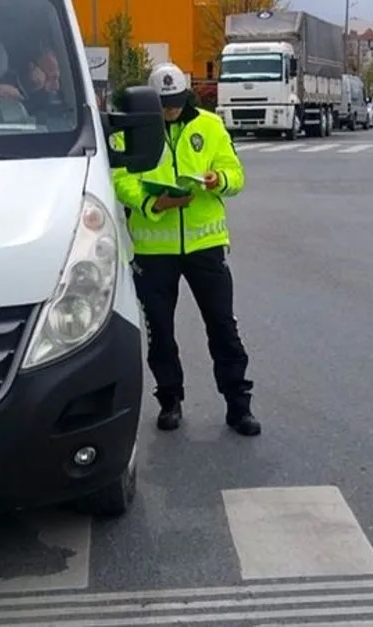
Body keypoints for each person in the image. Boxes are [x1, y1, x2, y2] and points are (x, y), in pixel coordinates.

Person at [109, 62, 260, 436]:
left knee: (223, 326)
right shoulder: (131, 129)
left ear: (186, 95)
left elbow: (236, 175)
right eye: (163, 104)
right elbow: (120, 179)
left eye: (175, 102)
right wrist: (154, 205)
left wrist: (217, 180)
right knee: (160, 330)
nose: (170, 110)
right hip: (153, 247)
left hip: (205, 244)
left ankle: (238, 405)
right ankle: (170, 400)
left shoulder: (209, 126)